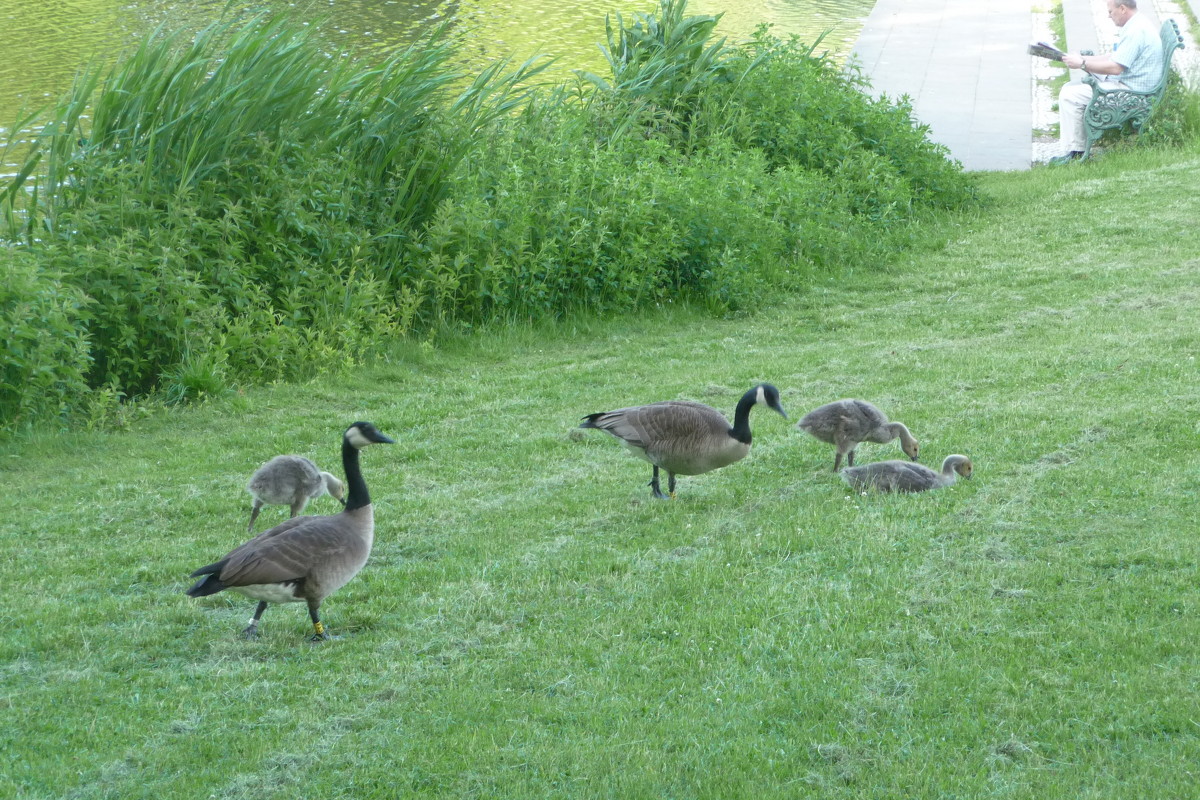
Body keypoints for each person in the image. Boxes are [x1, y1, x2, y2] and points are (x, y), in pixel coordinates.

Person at [1050, 0, 1164, 165]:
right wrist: (1082, 59)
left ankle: (1076, 153)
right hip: (1134, 85)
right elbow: (1114, 57)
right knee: (1071, 88)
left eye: (1110, 11)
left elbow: (1115, 67)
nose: (1108, 16)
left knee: (1070, 94)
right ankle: (1075, 148)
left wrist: (1082, 64)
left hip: (1133, 93)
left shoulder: (1136, 31)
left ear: (1122, 8)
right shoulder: (1138, 24)